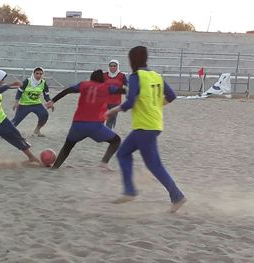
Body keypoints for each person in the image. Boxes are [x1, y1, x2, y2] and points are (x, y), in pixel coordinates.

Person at [105, 46, 186, 213]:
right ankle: (129, 190)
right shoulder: (155, 75)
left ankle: (177, 196)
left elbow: (130, 102)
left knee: (154, 165)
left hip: (145, 127)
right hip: (152, 124)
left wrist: (113, 110)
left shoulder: (135, 76)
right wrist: (156, 106)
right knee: (123, 153)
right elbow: (171, 96)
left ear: (133, 60)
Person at [46, 69, 125, 170]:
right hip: (96, 126)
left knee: (67, 147)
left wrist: (52, 101)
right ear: (102, 79)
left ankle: (55, 167)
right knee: (116, 141)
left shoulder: (84, 84)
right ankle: (104, 162)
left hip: (78, 125)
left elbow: (68, 90)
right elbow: (121, 91)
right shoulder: (106, 87)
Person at [0, 68, 40, 165]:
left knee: (17, 138)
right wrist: (9, 85)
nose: (2, 82)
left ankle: (32, 158)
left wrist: (14, 86)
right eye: (1, 80)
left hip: (2, 120)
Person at [11, 67, 53, 136]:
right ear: (33, 73)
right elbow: (19, 91)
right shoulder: (27, 81)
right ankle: (4, 132)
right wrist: (16, 102)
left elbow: (46, 95)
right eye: (37, 73)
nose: (39, 75)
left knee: (44, 115)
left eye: (41, 74)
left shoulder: (43, 83)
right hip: (24, 104)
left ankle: (37, 130)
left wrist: (49, 102)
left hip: (36, 104)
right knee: (16, 121)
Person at [104, 59, 128, 129]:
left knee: (112, 117)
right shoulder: (104, 75)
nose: (113, 67)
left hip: (115, 101)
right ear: (109, 66)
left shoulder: (122, 76)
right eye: (111, 66)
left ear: (117, 67)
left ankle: (109, 130)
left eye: (114, 66)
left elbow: (128, 85)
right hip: (104, 100)